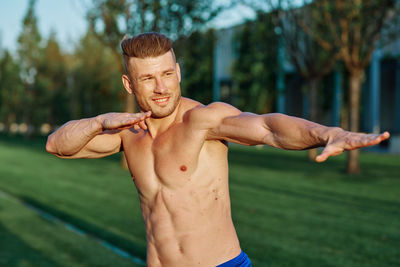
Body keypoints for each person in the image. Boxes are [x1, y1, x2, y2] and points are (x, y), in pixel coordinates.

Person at [46, 32, 390, 267]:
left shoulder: (202, 121)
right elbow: (58, 146)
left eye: (167, 74)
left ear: (178, 72)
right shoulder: (126, 134)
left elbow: (268, 127)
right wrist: (99, 121)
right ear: (129, 84)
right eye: (148, 79)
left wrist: (327, 132)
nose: (162, 87)